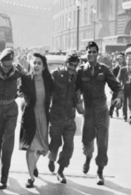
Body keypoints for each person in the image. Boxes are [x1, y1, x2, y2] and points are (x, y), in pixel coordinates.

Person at [76, 41, 123, 185]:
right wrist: (78, 104)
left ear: (98, 54)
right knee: (86, 144)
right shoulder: (80, 71)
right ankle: (88, 158)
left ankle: (100, 171)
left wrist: (119, 99)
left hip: (102, 111)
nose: (91, 54)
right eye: (89, 52)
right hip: (88, 112)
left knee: (102, 143)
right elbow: (74, 90)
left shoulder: (104, 69)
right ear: (86, 53)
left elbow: (117, 87)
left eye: (94, 52)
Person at [0, 48, 27, 189]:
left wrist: (24, 90)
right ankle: (3, 160)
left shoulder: (17, 69)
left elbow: (28, 78)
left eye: (9, 65)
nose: (7, 69)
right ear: (0, 62)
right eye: (5, 66)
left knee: (7, 144)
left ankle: (3, 177)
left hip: (11, 109)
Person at [48, 52, 84, 184]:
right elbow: (48, 94)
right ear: (65, 63)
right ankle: (51, 158)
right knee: (55, 143)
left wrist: (80, 106)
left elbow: (77, 94)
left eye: (75, 65)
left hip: (69, 117)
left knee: (69, 146)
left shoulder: (76, 77)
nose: (72, 68)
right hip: (56, 116)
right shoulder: (55, 75)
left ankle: (61, 170)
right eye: (70, 65)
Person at [19, 53, 52, 188]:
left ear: (44, 67)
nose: (37, 65)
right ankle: (30, 177)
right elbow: (19, 91)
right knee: (31, 148)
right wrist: (23, 98)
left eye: (39, 63)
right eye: (35, 63)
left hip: (43, 118)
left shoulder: (49, 81)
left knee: (41, 148)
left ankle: (33, 165)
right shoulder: (27, 79)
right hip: (30, 118)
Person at [117, 55, 131, 124]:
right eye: (128, 60)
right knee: (124, 103)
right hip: (124, 88)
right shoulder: (122, 69)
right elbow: (118, 79)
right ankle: (125, 116)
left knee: (130, 102)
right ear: (126, 61)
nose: (129, 61)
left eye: (130, 60)